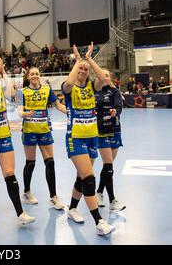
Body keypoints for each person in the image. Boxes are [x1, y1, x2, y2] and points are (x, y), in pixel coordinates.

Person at [61, 42, 114, 236]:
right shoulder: (69, 88)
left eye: (85, 69)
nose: (83, 71)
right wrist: (78, 60)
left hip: (92, 138)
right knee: (89, 178)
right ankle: (99, 222)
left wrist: (89, 59)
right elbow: (67, 84)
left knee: (81, 177)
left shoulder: (93, 86)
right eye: (80, 69)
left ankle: (72, 208)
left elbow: (104, 79)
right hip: (75, 138)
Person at [0, 57, 35, 225]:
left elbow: (12, 93)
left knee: (10, 173)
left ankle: (20, 213)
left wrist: (4, 74)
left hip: (3, 135)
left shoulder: (1, 88)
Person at [17, 67, 67, 209]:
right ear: (28, 76)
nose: (35, 76)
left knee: (50, 163)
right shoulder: (22, 92)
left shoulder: (46, 90)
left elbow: (58, 105)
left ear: (40, 76)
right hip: (29, 130)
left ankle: (53, 196)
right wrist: (23, 114)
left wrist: (69, 112)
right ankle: (27, 191)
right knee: (30, 163)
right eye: (32, 74)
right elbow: (20, 109)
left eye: (37, 74)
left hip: (44, 130)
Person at [95, 69, 126, 212]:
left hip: (115, 130)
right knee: (109, 167)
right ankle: (112, 200)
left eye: (107, 75)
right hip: (101, 131)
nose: (104, 78)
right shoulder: (94, 91)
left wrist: (115, 111)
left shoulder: (114, 91)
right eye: (102, 75)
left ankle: (99, 192)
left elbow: (119, 106)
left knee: (108, 167)